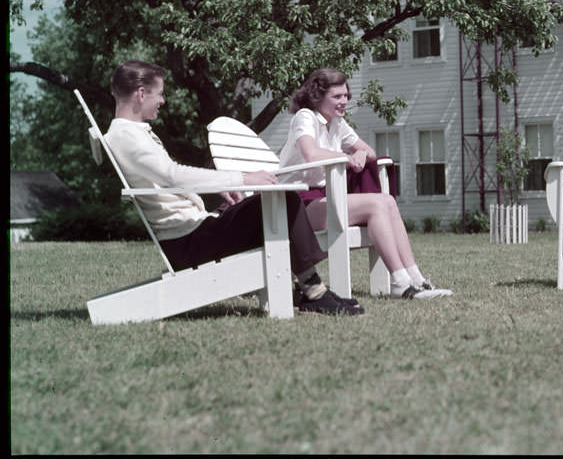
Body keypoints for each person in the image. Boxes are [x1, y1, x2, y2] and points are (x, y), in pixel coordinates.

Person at [103, 60, 363, 316]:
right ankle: (313, 291)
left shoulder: (131, 132)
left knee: (278, 202)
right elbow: (173, 176)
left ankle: (303, 288)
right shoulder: (128, 136)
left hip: (194, 231)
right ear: (140, 94)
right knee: (285, 201)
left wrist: (221, 187)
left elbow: (167, 178)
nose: (162, 101)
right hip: (187, 242)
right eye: (159, 94)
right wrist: (242, 179)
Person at [278, 68, 452, 300]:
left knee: (387, 201)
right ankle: (400, 283)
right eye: (337, 96)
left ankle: (416, 278)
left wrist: (360, 155)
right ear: (317, 97)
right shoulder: (306, 117)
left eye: (346, 96)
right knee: (377, 205)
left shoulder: (337, 124)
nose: (344, 101)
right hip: (296, 204)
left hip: (323, 196)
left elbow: (368, 150)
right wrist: (346, 158)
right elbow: (310, 153)